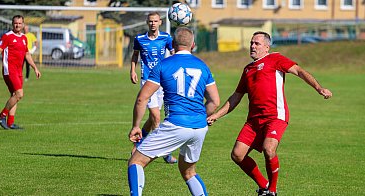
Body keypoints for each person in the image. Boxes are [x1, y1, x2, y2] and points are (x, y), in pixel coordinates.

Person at [207, 31, 332, 196]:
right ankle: (264, 185)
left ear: (267, 47)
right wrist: (216, 115)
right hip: (253, 121)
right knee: (237, 155)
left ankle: (272, 191)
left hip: (275, 116)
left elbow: (299, 71)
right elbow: (236, 97)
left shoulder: (275, 59)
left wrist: (319, 88)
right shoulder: (248, 70)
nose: (252, 46)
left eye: (256, 44)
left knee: (269, 148)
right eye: (251, 43)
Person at [127, 27, 220, 196]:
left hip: (176, 124)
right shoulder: (203, 66)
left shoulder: (163, 65)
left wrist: (136, 126)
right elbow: (215, 101)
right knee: (188, 172)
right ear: (193, 45)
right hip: (199, 128)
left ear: (173, 44)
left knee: (136, 161)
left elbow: (142, 98)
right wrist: (200, 117)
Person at [130, 12, 177, 163]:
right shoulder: (140, 39)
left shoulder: (166, 38)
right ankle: (164, 153)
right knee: (156, 117)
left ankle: (138, 143)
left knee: (152, 118)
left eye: (155, 21)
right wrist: (132, 70)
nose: (153, 24)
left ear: (160, 22)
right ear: (147, 22)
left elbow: (174, 54)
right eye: (150, 21)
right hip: (147, 81)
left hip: (162, 81)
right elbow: (135, 56)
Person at [0, 15, 42, 130]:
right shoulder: (7, 36)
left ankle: (10, 122)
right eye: (16, 23)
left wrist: (35, 68)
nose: (18, 25)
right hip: (9, 70)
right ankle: (2, 116)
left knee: (15, 96)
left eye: (20, 23)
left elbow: (27, 54)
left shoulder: (24, 38)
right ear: (12, 24)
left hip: (19, 71)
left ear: (23, 25)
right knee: (19, 94)